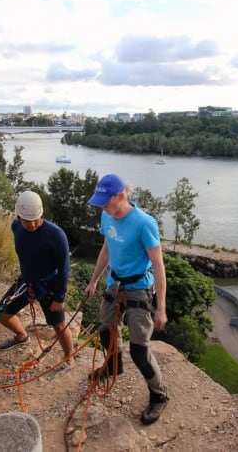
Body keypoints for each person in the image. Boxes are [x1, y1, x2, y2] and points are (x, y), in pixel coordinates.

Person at [84, 173, 169, 425]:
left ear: (121, 196)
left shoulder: (144, 224)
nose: (102, 208)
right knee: (106, 331)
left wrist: (161, 307)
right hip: (115, 283)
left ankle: (159, 394)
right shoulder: (106, 215)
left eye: (106, 202)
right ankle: (113, 366)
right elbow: (107, 248)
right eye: (100, 203)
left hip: (138, 288)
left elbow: (158, 266)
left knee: (139, 351)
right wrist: (94, 280)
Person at [0, 191, 74, 365]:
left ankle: (69, 358)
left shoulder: (56, 235)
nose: (33, 224)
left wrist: (59, 298)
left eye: (36, 219)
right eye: (28, 220)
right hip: (26, 282)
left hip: (49, 286)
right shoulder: (16, 227)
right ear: (19, 216)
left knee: (59, 326)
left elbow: (64, 268)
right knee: (2, 314)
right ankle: (22, 336)